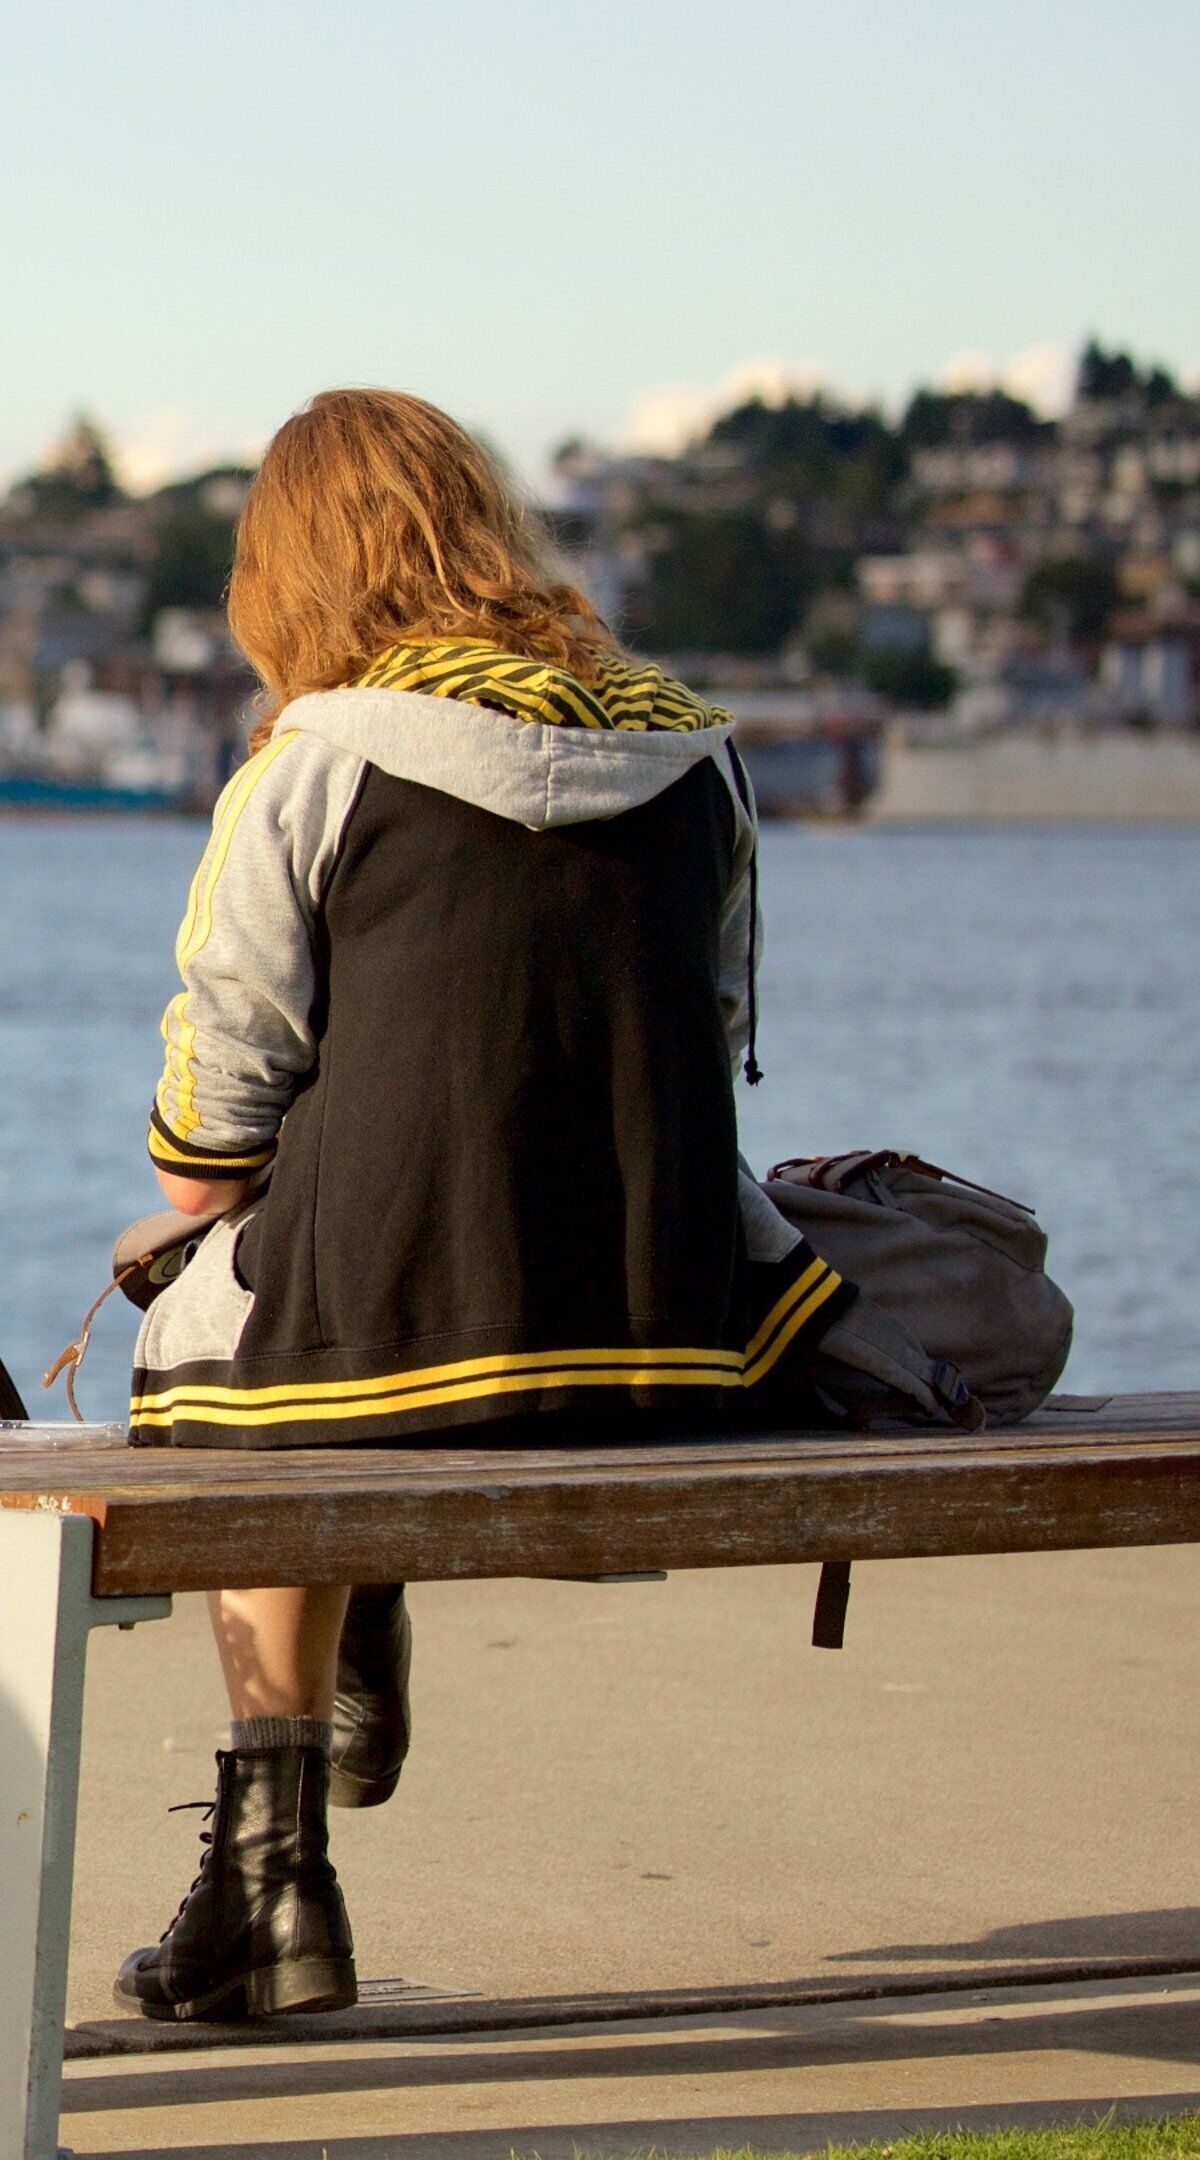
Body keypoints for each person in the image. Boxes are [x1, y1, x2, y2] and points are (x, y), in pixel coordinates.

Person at [114, 388, 850, 2024]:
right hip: (665, 1347)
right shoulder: (697, 754)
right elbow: (712, 1046)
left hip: (397, 1359)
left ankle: (269, 1881)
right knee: (324, 1286)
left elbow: (204, 1141)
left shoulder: (315, 766)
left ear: (285, 576)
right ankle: (346, 1634)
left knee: (216, 1319)